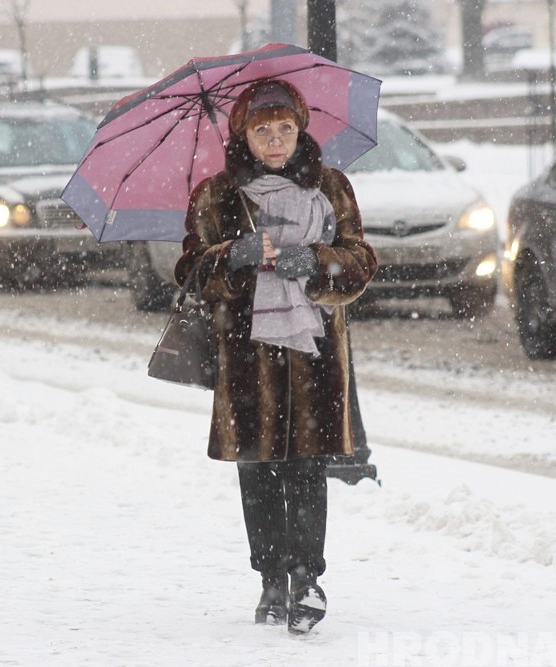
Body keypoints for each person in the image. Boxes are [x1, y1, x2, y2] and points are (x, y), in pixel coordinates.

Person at [173, 79, 378, 634]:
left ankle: (307, 580)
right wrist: (233, 257)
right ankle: (270, 579)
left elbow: (361, 261)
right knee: (258, 470)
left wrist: (316, 262)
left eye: (285, 128)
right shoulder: (217, 195)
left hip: (315, 352)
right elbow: (190, 272)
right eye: (263, 130)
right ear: (243, 134)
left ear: (300, 130)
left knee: (308, 468)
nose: (275, 140)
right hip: (247, 355)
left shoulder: (331, 187)